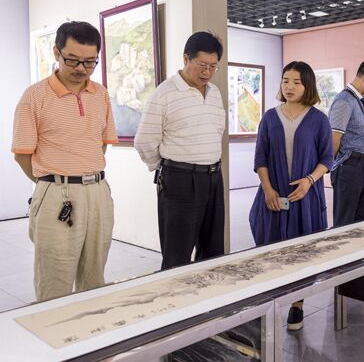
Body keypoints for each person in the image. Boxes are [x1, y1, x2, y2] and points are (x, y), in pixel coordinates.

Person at [12, 21, 118, 302]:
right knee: (54, 282)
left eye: (90, 62)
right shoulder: (34, 96)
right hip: (56, 194)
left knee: (94, 279)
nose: (81, 69)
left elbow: (100, 145)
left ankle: (92, 328)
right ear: (56, 52)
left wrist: (83, 176)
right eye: (72, 60)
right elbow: (22, 154)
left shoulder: (101, 94)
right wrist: (55, 181)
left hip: (98, 192)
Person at [249, 61, 333, 331]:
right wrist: (268, 189)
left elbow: (327, 159)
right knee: (270, 248)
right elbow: (260, 158)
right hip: (272, 197)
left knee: (302, 251)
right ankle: (270, 301)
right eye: (286, 81)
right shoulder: (269, 117)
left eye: (297, 82)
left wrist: (309, 180)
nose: (290, 86)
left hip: (305, 198)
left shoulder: (318, 119)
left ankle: (297, 304)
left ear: (307, 85)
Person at [134, 32, 226, 269]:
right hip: (180, 180)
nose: (207, 72)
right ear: (186, 58)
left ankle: (210, 293)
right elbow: (144, 141)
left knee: (214, 252)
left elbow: (217, 132)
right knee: (177, 256)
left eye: (213, 66)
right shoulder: (165, 93)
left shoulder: (214, 93)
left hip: (213, 177)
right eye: (202, 65)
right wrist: (166, 168)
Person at [328, 58, 364, 227]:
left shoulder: (360, 100)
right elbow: (334, 139)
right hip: (350, 168)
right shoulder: (344, 101)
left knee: (360, 222)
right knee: (345, 222)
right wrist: (326, 167)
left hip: (363, 167)